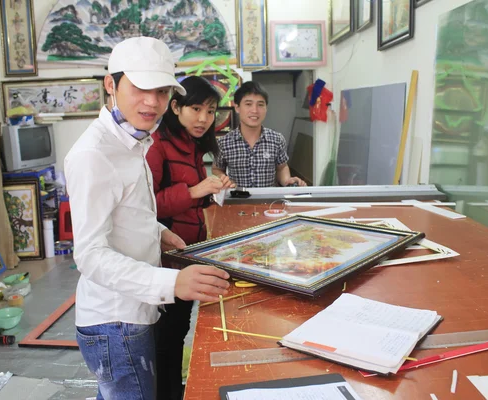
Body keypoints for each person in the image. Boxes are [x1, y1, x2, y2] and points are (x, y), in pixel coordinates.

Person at [64, 37, 230, 400]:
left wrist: (157, 231)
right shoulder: (94, 154)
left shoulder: (135, 140)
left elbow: (125, 210)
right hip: (115, 320)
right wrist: (172, 283)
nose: (152, 102)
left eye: (160, 90)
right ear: (111, 84)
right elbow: (90, 255)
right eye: (140, 87)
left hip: (135, 310)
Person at [146, 75, 234, 399]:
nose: (203, 118)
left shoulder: (193, 146)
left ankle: (172, 390)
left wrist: (212, 190)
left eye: (210, 111)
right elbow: (146, 205)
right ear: (175, 107)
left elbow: (190, 200)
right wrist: (197, 189)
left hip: (188, 255)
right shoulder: (157, 146)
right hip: (165, 262)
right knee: (165, 339)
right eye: (195, 108)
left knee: (178, 331)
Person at [212, 81, 307, 188]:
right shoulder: (224, 142)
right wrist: (223, 179)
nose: (255, 110)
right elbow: (217, 169)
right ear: (237, 107)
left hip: (269, 201)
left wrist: (287, 181)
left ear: (266, 108)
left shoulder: (277, 139)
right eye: (248, 104)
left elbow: (282, 167)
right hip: (238, 200)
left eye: (260, 105)